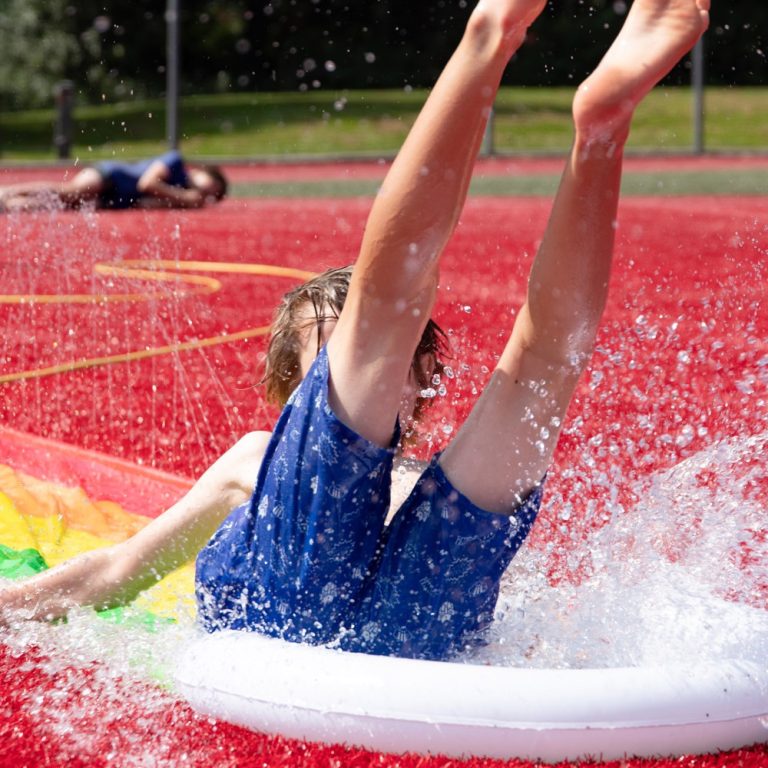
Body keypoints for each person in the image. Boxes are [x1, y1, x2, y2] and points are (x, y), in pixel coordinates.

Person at [0, 0, 710, 660]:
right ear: (293, 385)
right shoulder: (267, 458)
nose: (371, 362)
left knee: (538, 365)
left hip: (359, 625)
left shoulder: (384, 476)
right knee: (518, 360)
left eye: (398, 361)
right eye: (327, 351)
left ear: (423, 382)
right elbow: (114, 570)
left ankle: (593, 122)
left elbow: (114, 572)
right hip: (352, 622)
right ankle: (566, 97)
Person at [0, 150, 228, 212]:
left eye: (213, 195)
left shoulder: (182, 196)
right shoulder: (176, 162)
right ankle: (8, 192)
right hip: (113, 175)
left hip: (118, 199)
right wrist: (183, 199)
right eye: (213, 187)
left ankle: (8, 207)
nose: (208, 192)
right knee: (69, 192)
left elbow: (145, 203)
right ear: (206, 173)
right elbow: (147, 183)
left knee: (62, 206)